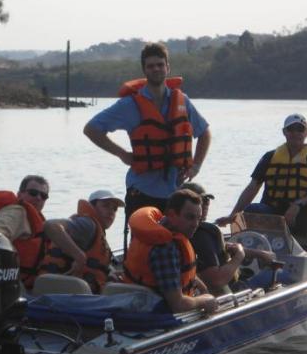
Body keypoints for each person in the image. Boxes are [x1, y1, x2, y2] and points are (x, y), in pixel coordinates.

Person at [83, 42, 211, 251]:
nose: (156, 69)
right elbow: (91, 129)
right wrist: (122, 154)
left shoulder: (182, 102)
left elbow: (204, 133)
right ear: (144, 70)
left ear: (168, 68)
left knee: (175, 246)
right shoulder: (129, 105)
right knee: (142, 248)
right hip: (141, 191)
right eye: (151, 66)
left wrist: (196, 166)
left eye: (160, 65)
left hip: (173, 192)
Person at [216, 114, 307, 254]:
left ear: (306, 133)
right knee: (253, 209)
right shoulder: (270, 157)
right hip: (273, 216)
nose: (295, 133)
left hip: (301, 217)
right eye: (291, 129)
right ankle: (251, 255)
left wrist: (298, 204)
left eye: (300, 129)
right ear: (284, 132)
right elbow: (252, 188)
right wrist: (233, 215)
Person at [123, 189, 218, 314]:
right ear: (172, 215)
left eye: (198, 218)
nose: (195, 224)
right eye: (189, 217)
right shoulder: (165, 247)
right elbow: (177, 305)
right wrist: (205, 300)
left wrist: (201, 287)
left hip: (135, 301)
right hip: (154, 314)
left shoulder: (156, 231)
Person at [183, 182, 285, 294]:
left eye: (207, 200)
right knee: (282, 274)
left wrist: (259, 253)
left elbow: (223, 247)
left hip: (210, 290)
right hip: (229, 293)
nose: (206, 203)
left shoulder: (183, 229)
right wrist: (239, 256)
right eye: (201, 200)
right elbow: (217, 281)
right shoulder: (202, 235)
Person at [38, 189, 123, 294]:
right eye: (105, 205)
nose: (111, 212)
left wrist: (109, 273)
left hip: (67, 293)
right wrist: (79, 256)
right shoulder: (87, 224)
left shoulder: (98, 232)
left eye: (114, 209)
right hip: (67, 296)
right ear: (92, 207)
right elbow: (50, 225)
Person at [0, 175, 50, 291]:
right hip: (11, 286)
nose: (38, 198)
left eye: (43, 195)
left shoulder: (36, 219)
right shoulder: (17, 211)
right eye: (33, 193)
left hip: (27, 284)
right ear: (20, 194)